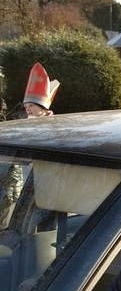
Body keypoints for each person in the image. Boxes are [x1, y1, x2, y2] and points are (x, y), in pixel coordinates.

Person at [0, 63, 60, 227]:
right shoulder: (22, 125)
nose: (28, 109)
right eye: (26, 106)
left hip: (46, 180)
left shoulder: (56, 125)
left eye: (32, 105)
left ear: (43, 106)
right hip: (23, 179)